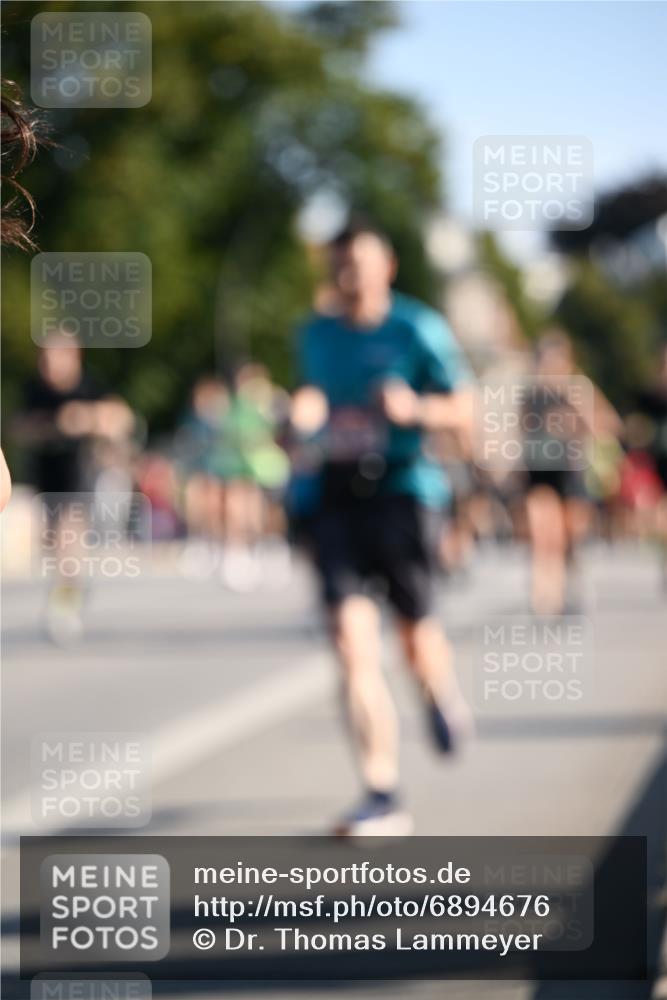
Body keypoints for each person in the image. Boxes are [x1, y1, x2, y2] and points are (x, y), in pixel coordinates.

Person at [290, 220, 475, 836]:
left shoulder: (417, 328)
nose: (350, 277)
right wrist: (301, 414)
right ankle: (381, 791)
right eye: (340, 266)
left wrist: (417, 408)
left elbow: (466, 410)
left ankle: (437, 691)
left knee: (416, 641)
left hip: (402, 489)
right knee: (349, 640)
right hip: (337, 491)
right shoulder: (314, 334)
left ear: (386, 267)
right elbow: (310, 397)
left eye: (360, 265)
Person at [15, 333, 134, 642]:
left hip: (81, 474)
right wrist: (53, 425)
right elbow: (19, 429)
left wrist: (87, 418)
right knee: (55, 542)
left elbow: (122, 418)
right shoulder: (35, 389)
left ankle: (65, 605)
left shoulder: (90, 385)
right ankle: (70, 589)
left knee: (70, 537)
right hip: (46, 476)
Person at [522, 330, 620, 615]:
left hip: (570, 468)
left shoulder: (578, 389)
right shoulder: (532, 394)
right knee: (541, 530)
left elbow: (605, 426)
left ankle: (571, 578)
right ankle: (543, 592)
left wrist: (571, 420)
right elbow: (522, 428)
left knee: (568, 533)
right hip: (539, 468)